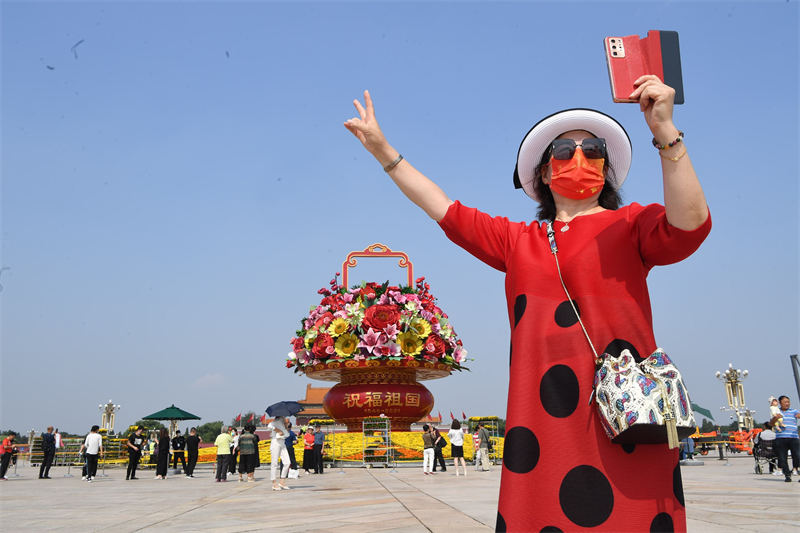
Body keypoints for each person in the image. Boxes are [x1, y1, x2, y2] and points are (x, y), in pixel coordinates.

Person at [344, 77, 710, 531]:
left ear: (607, 169)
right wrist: (384, 151)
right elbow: (444, 209)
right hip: (545, 416)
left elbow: (691, 224)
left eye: (593, 150)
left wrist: (665, 130)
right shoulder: (518, 241)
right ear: (541, 173)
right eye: (563, 152)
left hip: (628, 412)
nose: (580, 159)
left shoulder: (633, 224)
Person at [770, 395, 800, 482]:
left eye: (788, 402)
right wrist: (775, 418)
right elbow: (771, 424)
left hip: (793, 437)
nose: (787, 404)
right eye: (785, 402)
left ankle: (796, 469)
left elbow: (798, 415)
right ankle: (787, 475)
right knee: (782, 458)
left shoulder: (794, 411)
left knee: (797, 456)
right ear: (780, 403)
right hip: (780, 438)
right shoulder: (777, 412)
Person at [267, 417, 290, 490]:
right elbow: (269, 426)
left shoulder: (283, 424)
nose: (285, 417)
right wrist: (277, 430)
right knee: (274, 463)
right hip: (275, 442)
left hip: (282, 443)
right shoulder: (274, 422)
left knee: (287, 462)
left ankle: (282, 482)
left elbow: (286, 434)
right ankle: (274, 483)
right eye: (283, 416)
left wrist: (286, 426)